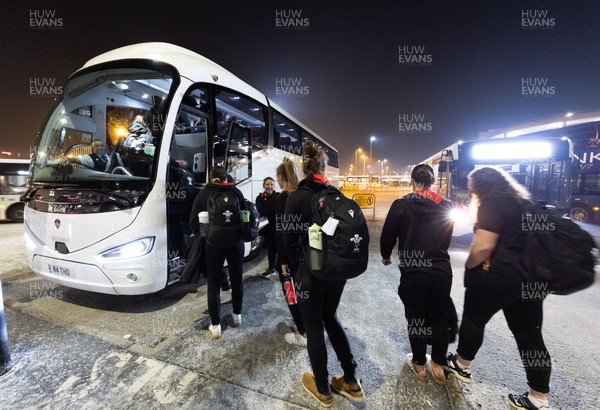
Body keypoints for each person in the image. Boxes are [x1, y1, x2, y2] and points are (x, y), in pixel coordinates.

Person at [445, 166, 552, 410]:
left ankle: (462, 365)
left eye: (472, 188)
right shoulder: (525, 204)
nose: (471, 192)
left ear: (480, 187)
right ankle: (538, 397)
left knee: (474, 318)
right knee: (530, 335)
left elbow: (484, 246)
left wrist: (471, 267)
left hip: (499, 275)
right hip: (531, 279)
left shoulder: (492, 203)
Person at [283, 140, 365, 407]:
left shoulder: (296, 197)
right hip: (337, 271)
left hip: (310, 272)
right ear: (323, 166)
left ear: (303, 167)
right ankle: (351, 380)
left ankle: (322, 388)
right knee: (330, 317)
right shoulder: (335, 194)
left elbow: (287, 239)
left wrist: (288, 266)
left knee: (314, 326)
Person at [380, 164, 454, 385]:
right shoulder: (446, 206)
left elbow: (388, 235)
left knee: (416, 317)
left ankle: (420, 365)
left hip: (414, 271)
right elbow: (446, 241)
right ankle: (439, 365)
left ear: (412, 180)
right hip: (441, 270)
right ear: (433, 182)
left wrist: (386, 256)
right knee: (440, 317)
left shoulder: (401, 205)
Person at [189, 166, 246, 339]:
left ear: (211, 177)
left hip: (213, 244)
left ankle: (216, 326)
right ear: (225, 176)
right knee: (237, 279)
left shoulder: (203, 194)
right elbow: (245, 216)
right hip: (236, 243)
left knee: (213, 284)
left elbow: (193, 223)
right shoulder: (236, 192)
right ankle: (237, 316)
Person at [274, 158, 306, 347]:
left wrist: (283, 259)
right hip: (307, 254)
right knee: (304, 291)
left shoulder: (283, 198)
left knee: (290, 291)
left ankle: (302, 332)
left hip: (290, 255)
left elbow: (281, 231)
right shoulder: (303, 194)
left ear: (281, 177)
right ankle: (307, 325)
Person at [256, 176, 279, 277]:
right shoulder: (259, 197)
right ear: (264, 186)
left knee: (279, 248)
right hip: (266, 228)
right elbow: (261, 210)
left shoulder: (278, 196)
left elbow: (274, 209)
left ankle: (279, 267)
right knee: (271, 248)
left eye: (271, 184)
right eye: (267, 184)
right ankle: (271, 268)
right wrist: (271, 208)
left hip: (277, 226)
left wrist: (268, 208)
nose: (269, 186)